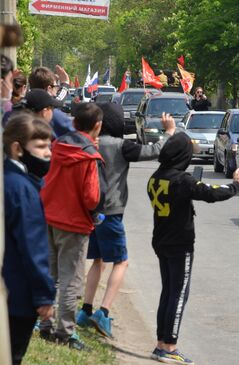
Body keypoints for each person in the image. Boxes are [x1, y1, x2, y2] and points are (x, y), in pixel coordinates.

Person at [76, 104, 176, 338]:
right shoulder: (122, 146)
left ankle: (85, 310)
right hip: (112, 212)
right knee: (121, 262)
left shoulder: (92, 143)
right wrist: (169, 132)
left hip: (92, 211)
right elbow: (154, 151)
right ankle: (104, 311)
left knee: (98, 261)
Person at [147, 133, 239, 364]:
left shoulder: (155, 177)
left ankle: (161, 343)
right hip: (180, 243)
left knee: (168, 291)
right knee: (179, 295)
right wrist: (234, 185)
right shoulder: (182, 181)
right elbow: (210, 193)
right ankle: (170, 347)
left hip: (161, 240)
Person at [39, 103, 105, 350]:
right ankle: (65, 332)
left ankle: (45, 324)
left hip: (49, 215)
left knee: (51, 275)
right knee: (70, 280)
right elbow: (91, 198)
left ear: (74, 122)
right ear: (97, 126)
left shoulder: (57, 145)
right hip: (74, 223)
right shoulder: (88, 156)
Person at [3, 114, 56, 364]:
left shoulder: (10, 181)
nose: (48, 154)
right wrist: (44, 297)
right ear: (17, 148)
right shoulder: (22, 189)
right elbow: (33, 248)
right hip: (18, 297)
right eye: (41, 146)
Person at [27, 66, 75, 137]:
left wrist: (65, 84)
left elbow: (58, 101)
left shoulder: (20, 110)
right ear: (49, 89)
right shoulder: (53, 115)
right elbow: (78, 138)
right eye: (56, 86)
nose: (57, 90)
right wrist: (65, 84)